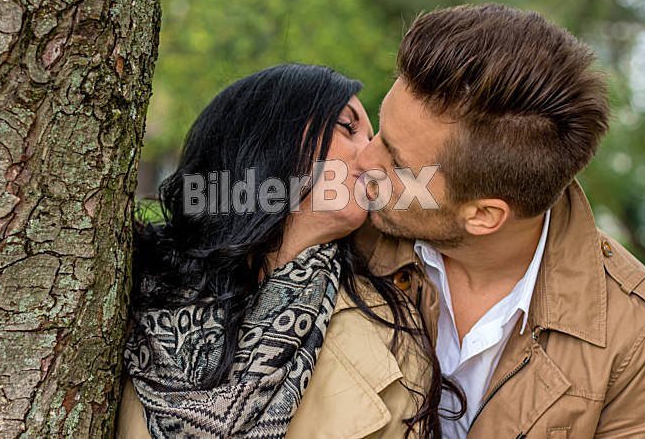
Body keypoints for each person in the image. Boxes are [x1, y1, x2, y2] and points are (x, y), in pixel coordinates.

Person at [354, 3, 645, 438]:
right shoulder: (342, 230)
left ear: (483, 215)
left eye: (397, 164)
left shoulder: (641, 338)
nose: (364, 160)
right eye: (380, 132)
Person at [116, 63, 465, 438]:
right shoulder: (131, 296)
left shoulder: (394, 333)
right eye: (347, 128)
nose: (369, 156)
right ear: (266, 139)